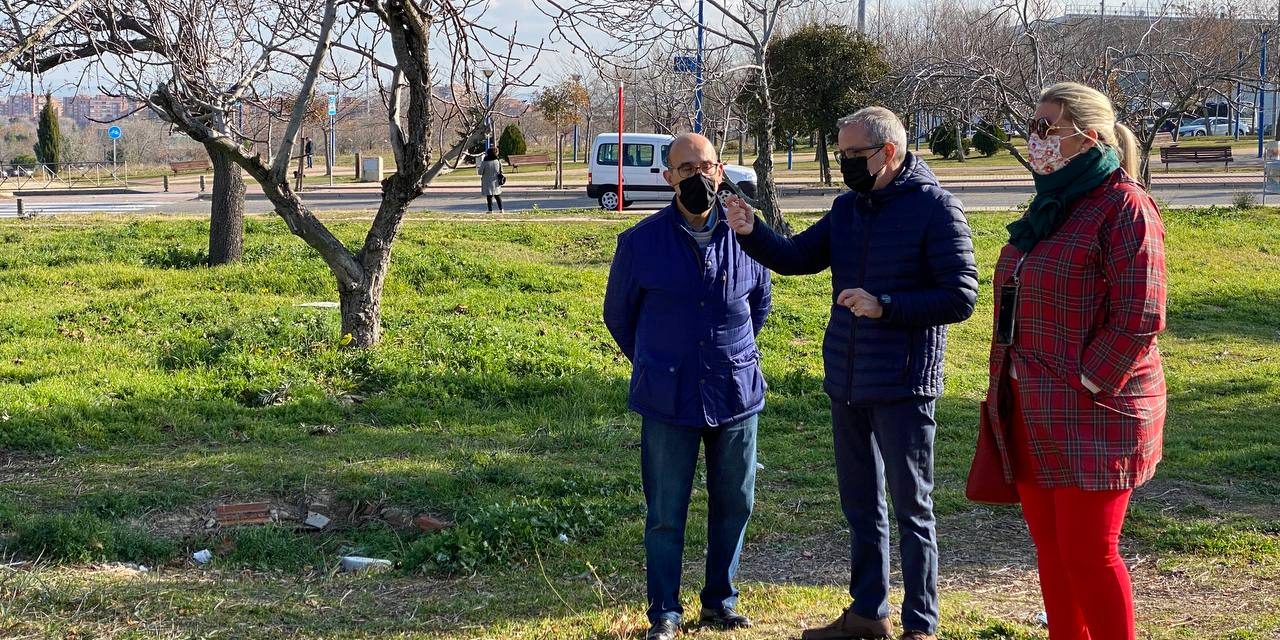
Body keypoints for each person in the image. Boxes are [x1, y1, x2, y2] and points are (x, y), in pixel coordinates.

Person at [725, 106, 978, 640]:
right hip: (848, 379)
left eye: (853, 155)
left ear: (888, 152)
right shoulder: (848, 209)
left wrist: (885, 304)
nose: (845, 165)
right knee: (861, 506)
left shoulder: (937, 210)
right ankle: (867, 615)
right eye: (839, 155)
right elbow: (796, 257)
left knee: (913, 509)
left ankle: (920, 625)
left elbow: (960, 297)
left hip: (904, 383)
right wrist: (750, 230)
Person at [979, 82, 1167, 640]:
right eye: (1033, 126)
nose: (1034, 140)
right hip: (1030, 406)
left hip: (1098, 412)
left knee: (1089, 553)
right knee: (1054, 555)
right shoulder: (1053, 205)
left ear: (1087, 137)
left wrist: (1088, 380)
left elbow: (1141, 313)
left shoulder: (1125, 205)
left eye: (1046, 128)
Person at [603, 132, 772, 640]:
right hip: (667, 396)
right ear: (668, 177)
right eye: (686, 168)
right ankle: (665, 612)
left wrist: (729, 355)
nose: (698, 176)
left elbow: (759, 304)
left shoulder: (748, 236)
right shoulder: (640, 243)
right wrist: (658, 360)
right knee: (665, 512)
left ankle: (720, 600)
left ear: (720, 172)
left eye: (707, 166)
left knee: (734, 503)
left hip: (735, 392)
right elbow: (620, 317)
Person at [478, 147, 504, 213]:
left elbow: (480, 172)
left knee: (489, 196)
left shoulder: (485, 161)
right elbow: (501, 171)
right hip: (496, 181)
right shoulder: (498, 161)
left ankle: (490, 210)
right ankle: (501, 209)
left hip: (487, 181)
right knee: (497, 196)